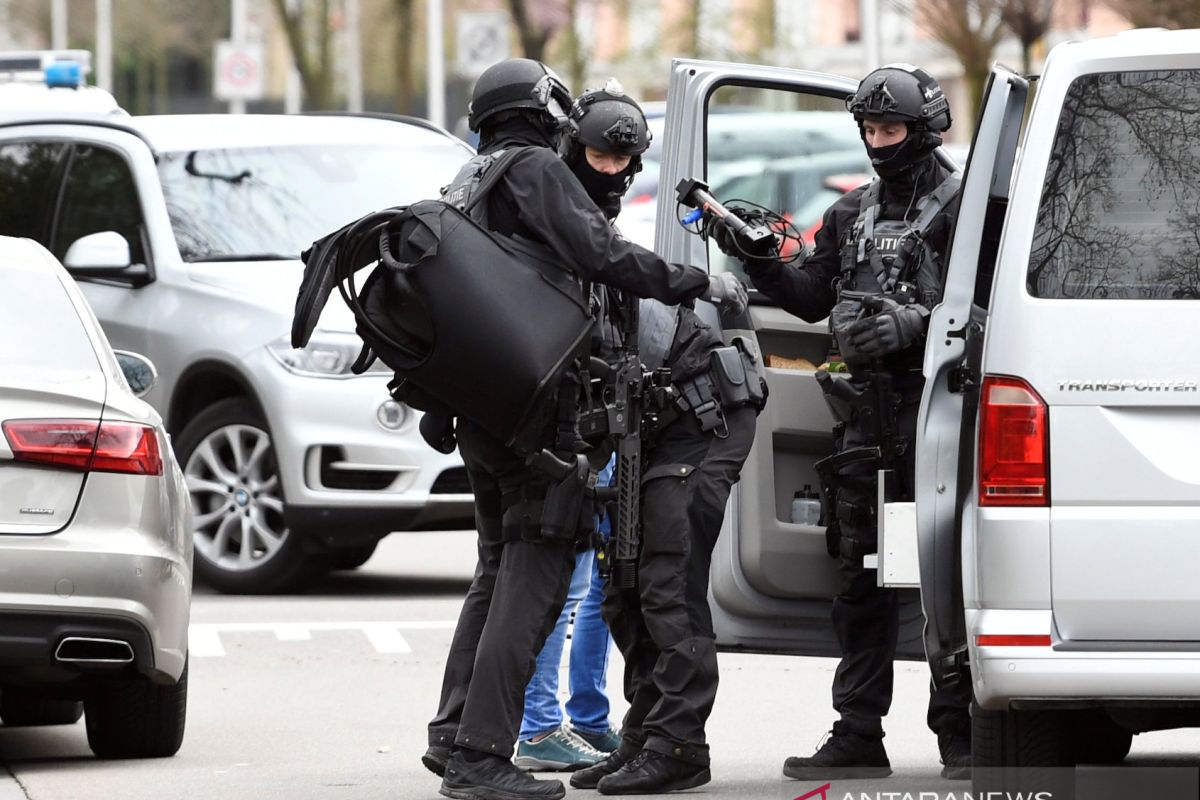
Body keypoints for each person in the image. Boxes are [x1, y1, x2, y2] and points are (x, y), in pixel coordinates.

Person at [422, 59, 749, 800]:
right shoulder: (532, 168)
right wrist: (698, 280)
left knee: (496, 570)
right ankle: (479, 757)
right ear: (543, 112)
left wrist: (442, 408)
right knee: (534, 571)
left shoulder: (468, 183)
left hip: (481, 414)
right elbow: (599, 254)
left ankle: (451, 737)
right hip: (531, 419)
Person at [712, 64, 973, 781]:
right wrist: (756, 257)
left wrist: (915, 327)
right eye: (868, 129)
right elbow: (807, 296)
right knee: (861, 580)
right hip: (864, 422)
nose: (876, 142)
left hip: (944, 421)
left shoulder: (973, 211)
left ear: (923, 131)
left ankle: (963, 733)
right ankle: (859, 731)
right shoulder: (850, 213)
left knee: (949, 574)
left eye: (889, 129)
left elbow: (1001, 313)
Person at [555, 82, 761, 796]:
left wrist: (700, 279)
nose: (611, 172)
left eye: (623, 161)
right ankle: (646, 732)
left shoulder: (592, 238)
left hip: (700, 416)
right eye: (598, 156)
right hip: (644, 429)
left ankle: (679, 746)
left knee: (667, 583)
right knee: (624, 587)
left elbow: (632, 283)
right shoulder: (557, 226)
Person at [514, 456, 619, 772]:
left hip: (601, 446)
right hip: (585, 445)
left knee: (597, 583)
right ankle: (539, 729)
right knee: (563, 593)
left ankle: (589, 721)